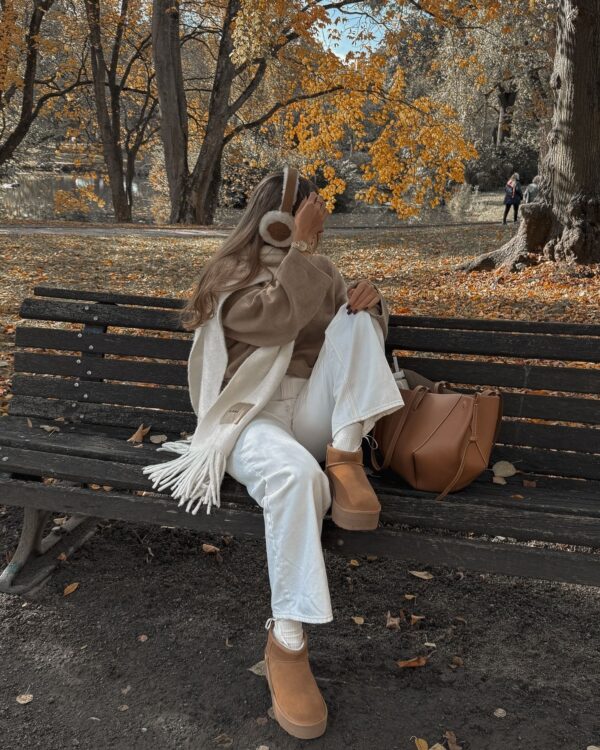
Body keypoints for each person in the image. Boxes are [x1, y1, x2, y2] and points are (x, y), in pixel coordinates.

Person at [176, 168, 404, 740]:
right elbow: (278, 317)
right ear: (274, 217)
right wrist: (301, 247)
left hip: (315, 417)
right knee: (296, 480)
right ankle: (289, 644)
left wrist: (372, 305)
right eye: (302, 214)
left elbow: (354, 346)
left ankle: (346, 460)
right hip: (250, 418)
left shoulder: (321, 270)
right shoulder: (229, 275)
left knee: (354, 324)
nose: (311, 225)